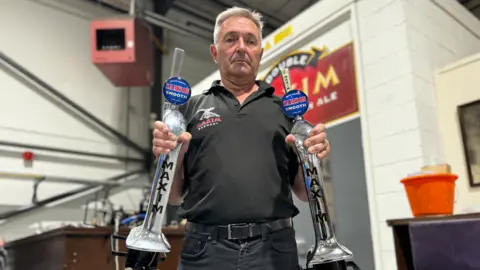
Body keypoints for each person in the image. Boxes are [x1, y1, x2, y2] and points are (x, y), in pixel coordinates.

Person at [152, 6, 331, 270]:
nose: (241, 47)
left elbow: (305, 194)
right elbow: (174, 196)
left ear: (260, 51)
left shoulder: (286, 111)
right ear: (215, 52)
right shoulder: (189, 109)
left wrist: (313, 159)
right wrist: (168, 156)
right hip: (204, 251)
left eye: (250, 41)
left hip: (275, 249)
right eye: (230, 39)